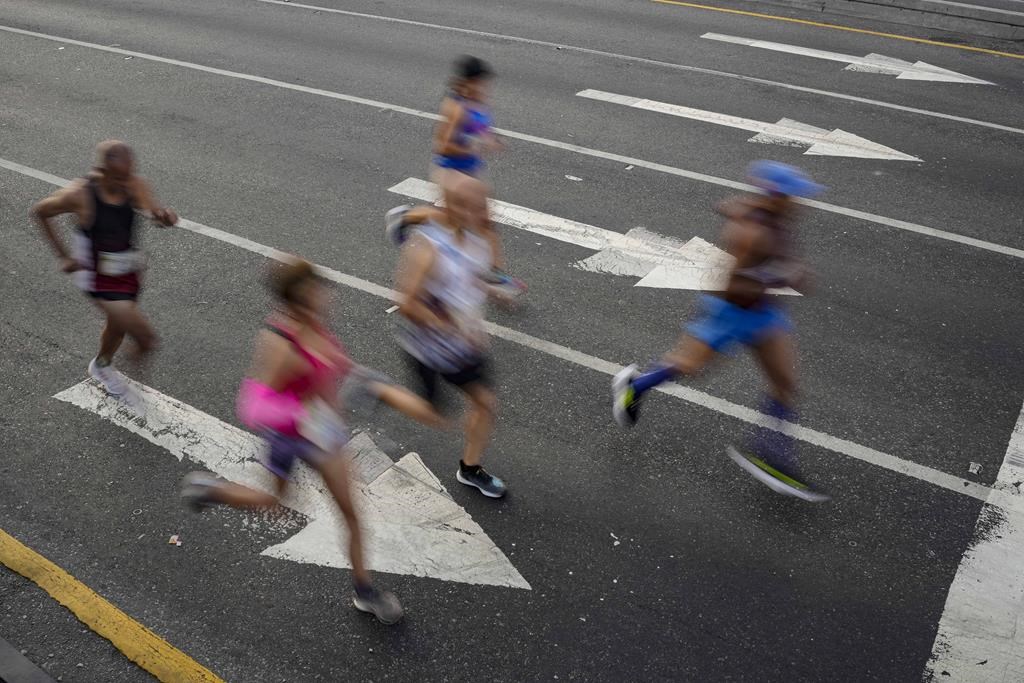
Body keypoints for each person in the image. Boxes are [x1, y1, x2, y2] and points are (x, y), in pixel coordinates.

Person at [180, 258, 447, 624]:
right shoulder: (280, 344)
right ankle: (214, 491)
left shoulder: (318, 327)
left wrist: (377, 391)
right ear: (298, 300)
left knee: (351, 514)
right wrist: (299, 416)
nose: (327, 296)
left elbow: (337, 372)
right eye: (317, 291)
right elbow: (253, 405)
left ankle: (364, 592)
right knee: (278, 504)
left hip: (324, 436)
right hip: (287, 438)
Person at [611, 161, 829, 503]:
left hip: (765, 313)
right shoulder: (751, 233)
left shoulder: (776, 218)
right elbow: (731, 285)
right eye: (796, 196)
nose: (803, 202)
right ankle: (635, 385)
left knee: (786, 385)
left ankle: (771, 455)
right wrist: (780, 276)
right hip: (731, 313)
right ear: (778, 196)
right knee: (688, 367)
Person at [32, 140, 177, 404]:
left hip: (127, 270)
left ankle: (102, 364)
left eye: (129, 173)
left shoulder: (134, 183)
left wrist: (164, 218)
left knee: (117, 328)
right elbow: (40, 212)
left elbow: (154, 215)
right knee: (145, 339)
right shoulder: (80, 194)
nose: (126, 182)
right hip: (94, 275)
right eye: (119, 176)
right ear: (100, 170)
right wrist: (64, 256)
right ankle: (119, 379)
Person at [390, 174, 507, 499]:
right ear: (453, 208)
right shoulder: (427, 248)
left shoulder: (477, 237)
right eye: (477, 206)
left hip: (465, 346)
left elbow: (473, 274)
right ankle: (379, 390)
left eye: (486, 204)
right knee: (439, 417)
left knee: (485, 404)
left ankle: (470, 469)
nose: (486, 212)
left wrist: (495, 293)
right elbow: (406, 304)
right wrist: (451, 326)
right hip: (430, 349)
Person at [430, 54, 525, 299]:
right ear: (468, 82)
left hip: (471, 170)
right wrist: (475, 146)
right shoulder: (456, 108)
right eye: (480, 82)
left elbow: (481, 128)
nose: (484, 87)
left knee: (484, 223)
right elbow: (442, 146)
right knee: (457, 226)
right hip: (452, 172)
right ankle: (408, 221)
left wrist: (491, 138)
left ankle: (495, 275)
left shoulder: (477, 100)